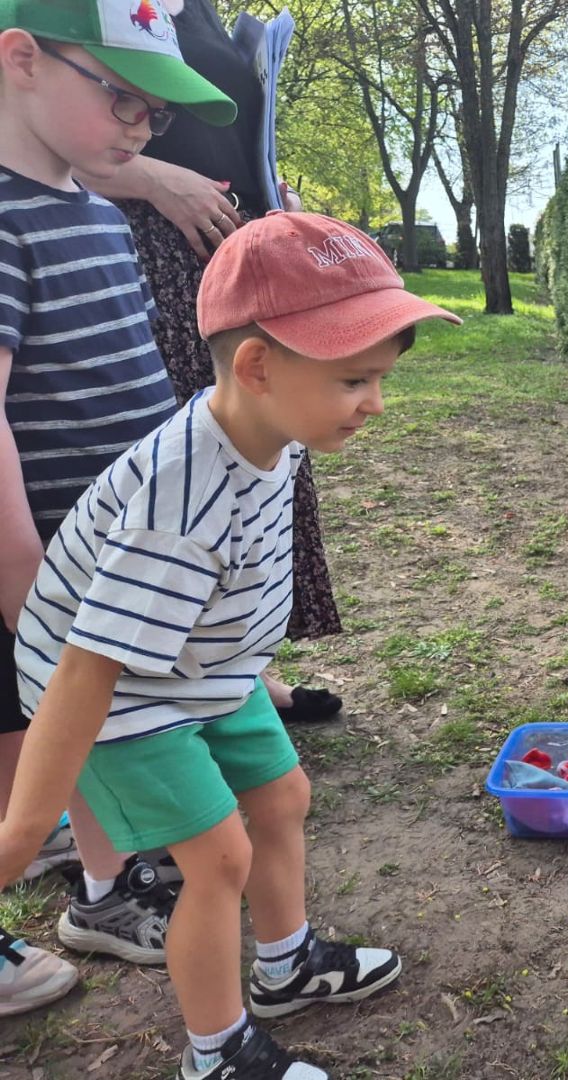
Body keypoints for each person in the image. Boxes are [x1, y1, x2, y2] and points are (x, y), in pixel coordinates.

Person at [1, 209, 460, 1077]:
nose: (375, 403)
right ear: (256, 366)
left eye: (379, 378)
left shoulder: (269, 431)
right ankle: (217, 1054)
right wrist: (25, 828)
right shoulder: (182, 503)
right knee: (218, 860)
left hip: (205, 665)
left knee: (282, 796)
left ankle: (286, 967)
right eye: (355, 380)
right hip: (121, 693)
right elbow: (88, 665)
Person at [0, 0, 239, 1014]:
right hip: (36, 560)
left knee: (82, 729)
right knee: (24, 746)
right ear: (21, 58)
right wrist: (25, 577)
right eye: (122, 99)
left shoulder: (96, 210)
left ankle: (104, 889)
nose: (142, 128)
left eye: (156, 112)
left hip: (106, 554)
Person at [78, 0, 344, 724]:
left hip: (231, 252)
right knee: (184, 468)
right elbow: (38, 130)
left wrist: (267, 189)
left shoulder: (197, 7)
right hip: (148, 251)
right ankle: (164, 680)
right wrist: (153, 180)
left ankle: (243, 672)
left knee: (255, 461)